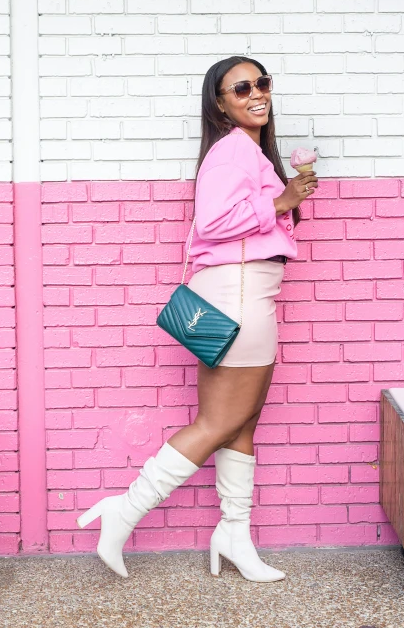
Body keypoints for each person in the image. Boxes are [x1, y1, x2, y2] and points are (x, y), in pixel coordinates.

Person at [77, 55, 318, 581]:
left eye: (263, 82)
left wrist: (285, 196)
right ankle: (125, 510)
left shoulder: (247, 151)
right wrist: (282, 201)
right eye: (241, 88)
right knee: (220, 421)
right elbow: (211, 222)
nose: (256, 93)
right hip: (239, 294)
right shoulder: (233, 150)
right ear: (221, 103)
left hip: (242, 291)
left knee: (240, 422)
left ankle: (233, 533)